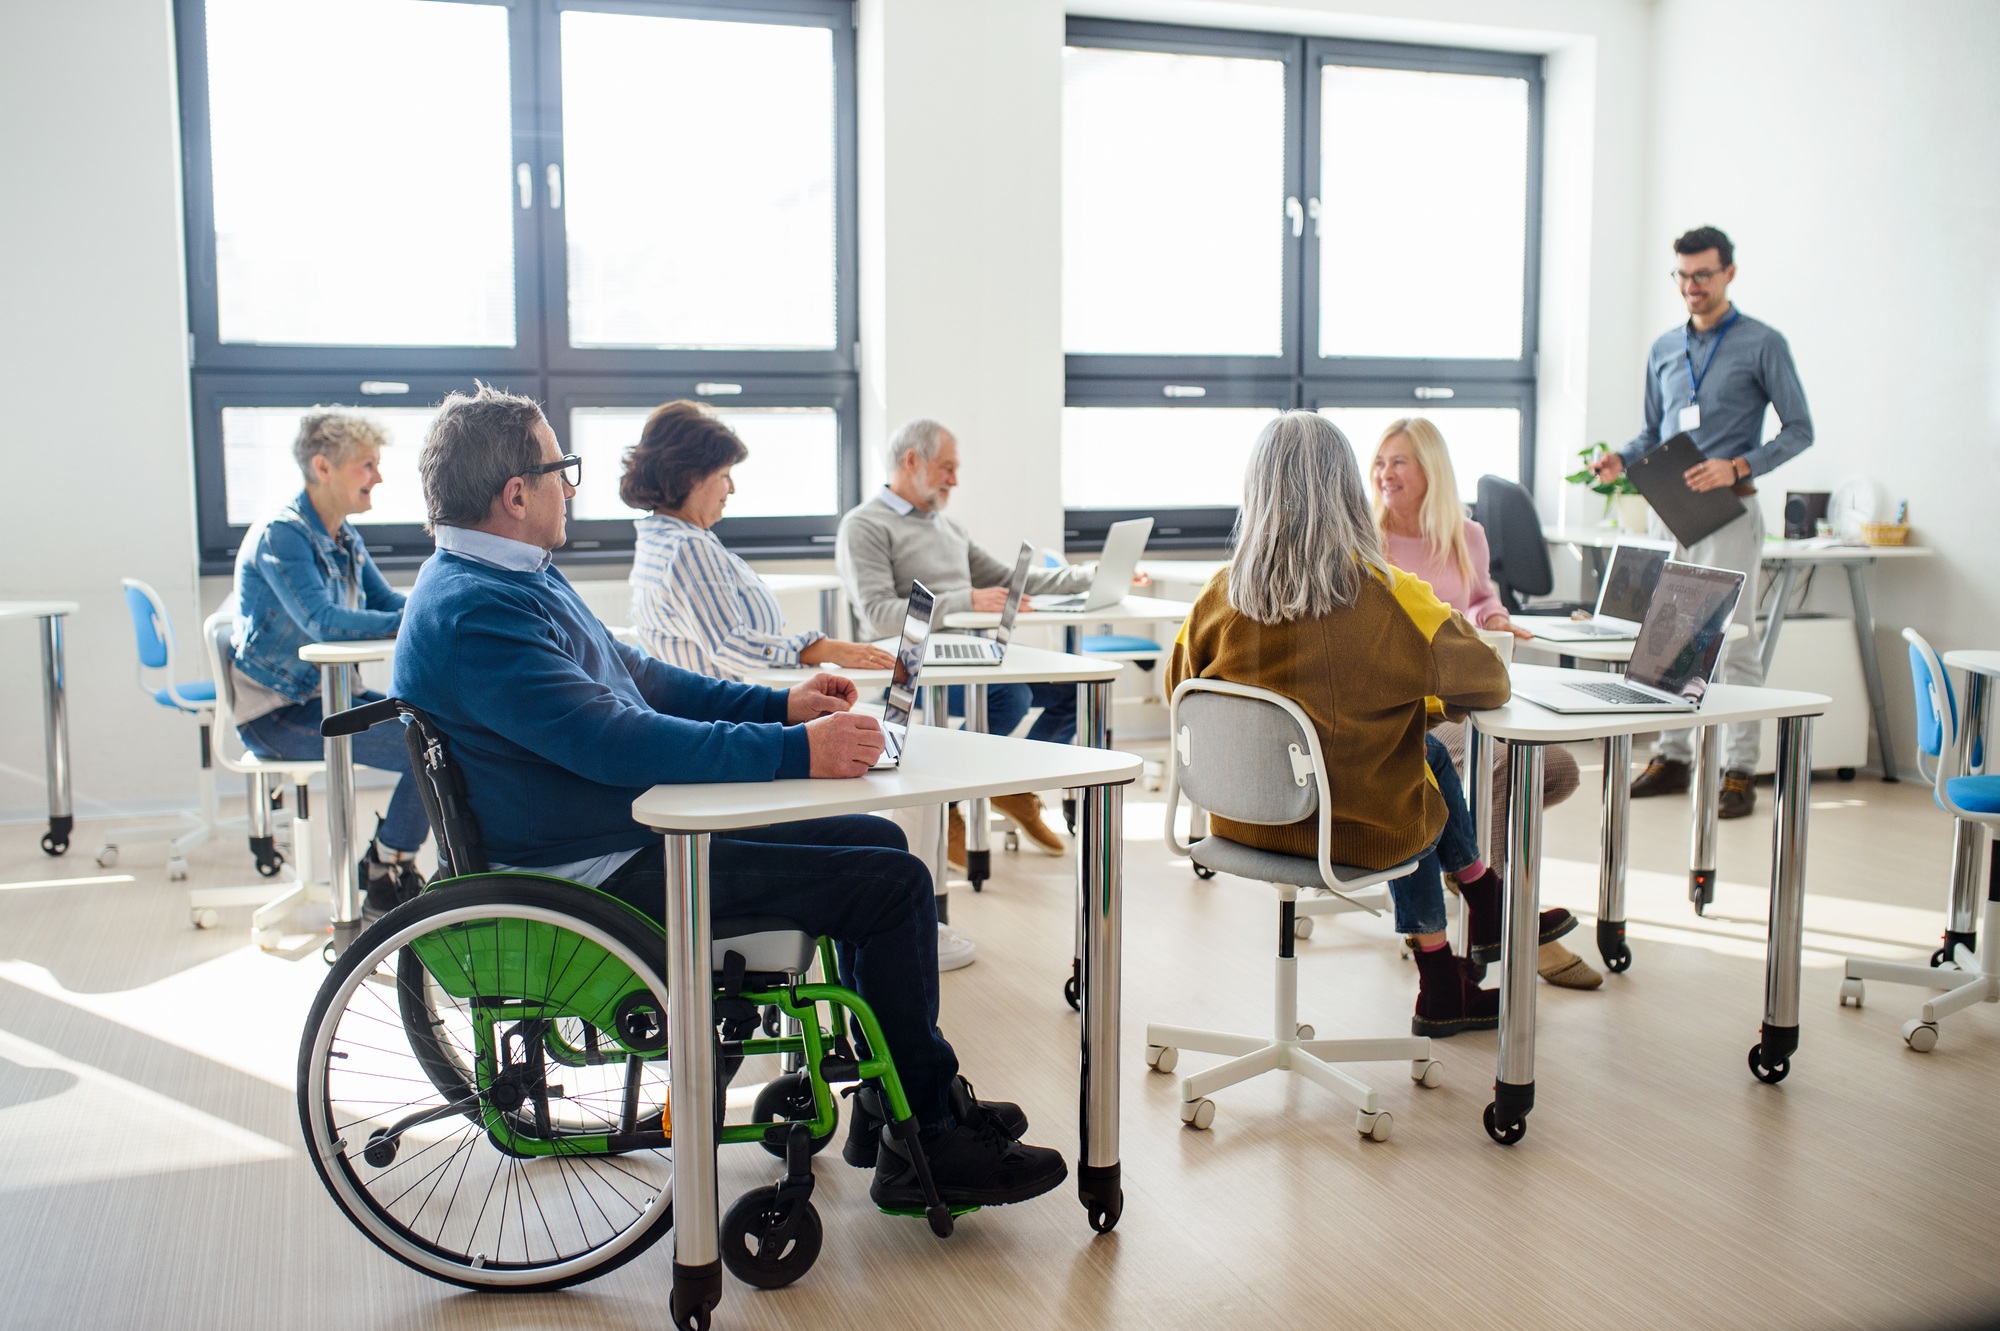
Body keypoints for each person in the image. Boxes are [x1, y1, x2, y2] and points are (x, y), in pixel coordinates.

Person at [391, 384, 1068, 1212]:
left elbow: (638, 678)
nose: (572, 484)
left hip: (610, 838)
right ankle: (926, 1128)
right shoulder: (475, 612)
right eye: (561, 469)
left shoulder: (508, 577)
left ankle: (896, 1100)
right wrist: (796, 752)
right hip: (598, 874)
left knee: (879, 841)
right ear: (515, 493)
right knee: (888, 885)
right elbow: (614, 738)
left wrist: (778, 706)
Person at [1170, 411, 1573, 1037]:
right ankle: (1474, 916)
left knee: (1423, 760)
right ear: (1348, 494)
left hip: (1241, 822)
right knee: (1409, 765)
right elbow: (1489, 682)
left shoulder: (1217, 595)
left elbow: (1181, 693)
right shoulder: (1384, 590)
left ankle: (1457, 951)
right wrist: (1420, 700)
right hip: (1353, 835)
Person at [835, 417, 1086, 966]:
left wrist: (1089, 577)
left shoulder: (947, 527)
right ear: (911, 462)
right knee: (1011, 699)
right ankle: (964, 795)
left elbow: (1010, 580)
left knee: (1070, 690)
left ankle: (1005, 785)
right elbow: (877, 613)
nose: (954, 479)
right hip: (911, 665)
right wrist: (964, 598)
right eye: (947, 467)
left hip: (966, 657)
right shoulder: (865, 526)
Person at [1591, 225, 1815, 818]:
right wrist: (1620, 458)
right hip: (1671, 511)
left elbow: (1799, 430)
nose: (1691, 287)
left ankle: (1739, 769)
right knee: (1669, 638)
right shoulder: (1665, 347)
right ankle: (1674, 756)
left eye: (1703, 276)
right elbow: (1652, 431)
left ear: (1729, 274)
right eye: (1683, 276)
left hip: (1729, 509)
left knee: (1732, 639)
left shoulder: (1763, 344)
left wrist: (1738, 463)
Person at [1370, 418, 1598, 990]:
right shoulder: (1363, 539)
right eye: (1380, 461)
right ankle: (1503, 917)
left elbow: (1479, 597)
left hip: (1463, 691)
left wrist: (1494, 619)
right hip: (1408, 707)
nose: (1384, 473)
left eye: (1399, 462)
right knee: (1499, 764)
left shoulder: (1466, 534)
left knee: (1555, 768)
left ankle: (1468, 871)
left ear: (1431, 470)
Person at [228, 411, 426, 914]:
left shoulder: (342, 537)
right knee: (424, 747)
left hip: (335, 698)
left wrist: (434, 609)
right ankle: (385, 869)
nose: (378, 477)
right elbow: (324, 622)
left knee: (441, 727)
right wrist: (410, 622)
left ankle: (387, 860)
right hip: (279, 714)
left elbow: (385, 604)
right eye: (367, 465)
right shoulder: (283, 536)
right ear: (323, 467)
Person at [624, 400, 894, 679]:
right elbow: (731, 645)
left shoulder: (658, 538)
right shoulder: (688, 547)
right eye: (724, 475)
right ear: (690, 478)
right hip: (727, 714)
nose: (732, 489)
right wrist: (826, 649)